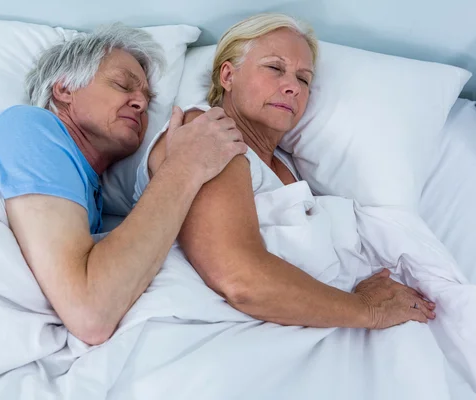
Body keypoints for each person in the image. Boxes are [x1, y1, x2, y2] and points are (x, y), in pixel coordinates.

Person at [0, 24, 247, 345]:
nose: (140, 103)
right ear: (65, 88)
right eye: (123, 85)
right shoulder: (30, 127)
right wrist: (185, 165)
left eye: (147, 100)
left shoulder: (90, 197)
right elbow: (90, 313)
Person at [147, 13, 436, 330]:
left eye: (304, 79)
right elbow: (240, 279)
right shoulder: (207, 134)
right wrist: (366, 310)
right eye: (274, 68)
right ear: (228, 76)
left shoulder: (286, 165)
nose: (293, 88)